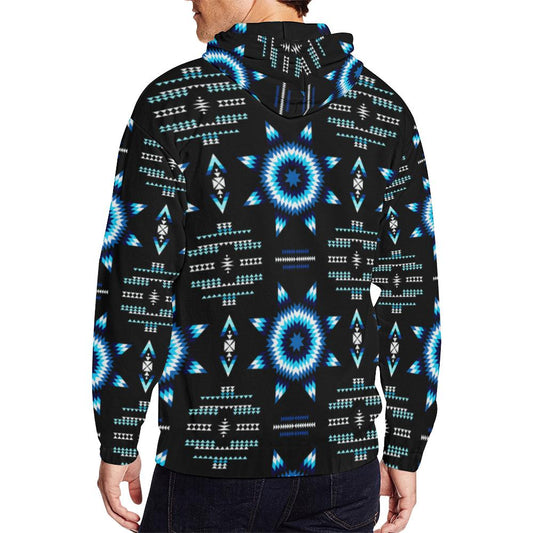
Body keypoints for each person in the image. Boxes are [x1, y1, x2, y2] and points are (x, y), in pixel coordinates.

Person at [92, 0, 441, 531]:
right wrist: (405, 443)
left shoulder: (173, 103)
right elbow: (410, 294)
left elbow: (139, 285)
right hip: (343, 463)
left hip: (211, 461)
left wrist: (118, 435)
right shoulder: (383, 110)